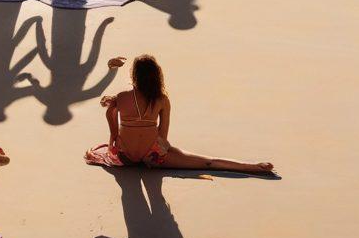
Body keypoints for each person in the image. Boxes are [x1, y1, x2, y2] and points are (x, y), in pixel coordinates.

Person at [85, 55, 275, 174]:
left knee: (111, 116)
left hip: (124, 157)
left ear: (134, 76)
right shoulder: (161, 99)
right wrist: (163, 150)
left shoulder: (121, 97)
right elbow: (163, 137)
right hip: (152, 156)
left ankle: (252, 167)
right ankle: (253, 167)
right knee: (207, 162)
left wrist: (113, 135)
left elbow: (110, 110)